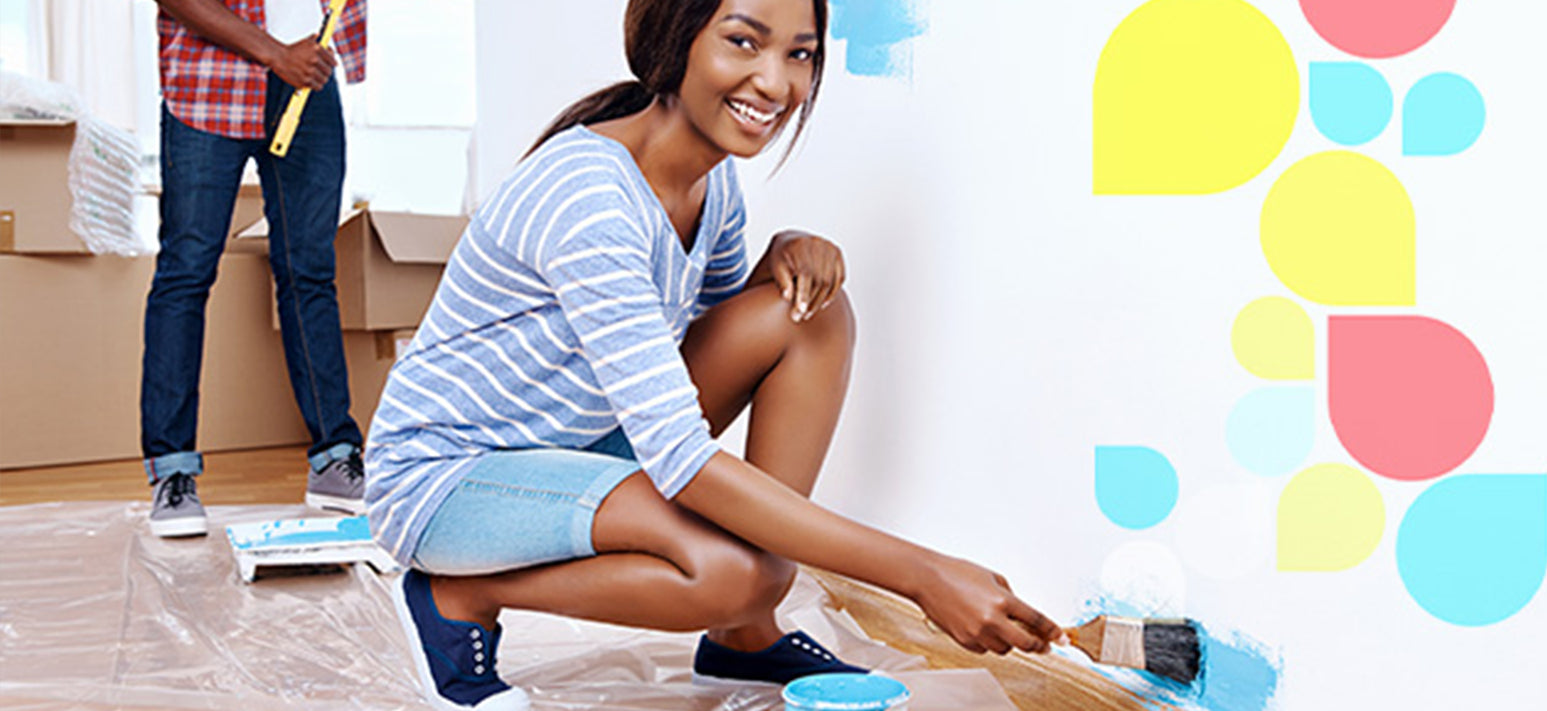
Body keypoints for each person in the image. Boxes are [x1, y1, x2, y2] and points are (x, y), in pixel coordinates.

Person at [365, 0, 1061, 707]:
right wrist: (921, 573)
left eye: (800, 53)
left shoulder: (712, 178)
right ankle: (458, 591)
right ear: (676, 40)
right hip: (452, 477)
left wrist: (784, 252)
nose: (775, 82)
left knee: (811, 316)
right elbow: (683, 456)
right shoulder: (590, 195)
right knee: (737, 573)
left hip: (581, 442)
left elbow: (717, 333)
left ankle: (744, 638)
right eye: (743, 42)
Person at [143, 0, 369, 538]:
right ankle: (172, 472)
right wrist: (274, 54)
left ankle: (335, 460)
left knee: (309, 272)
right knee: (186, 273)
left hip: (308, 81)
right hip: (211, 85)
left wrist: (299, 57)